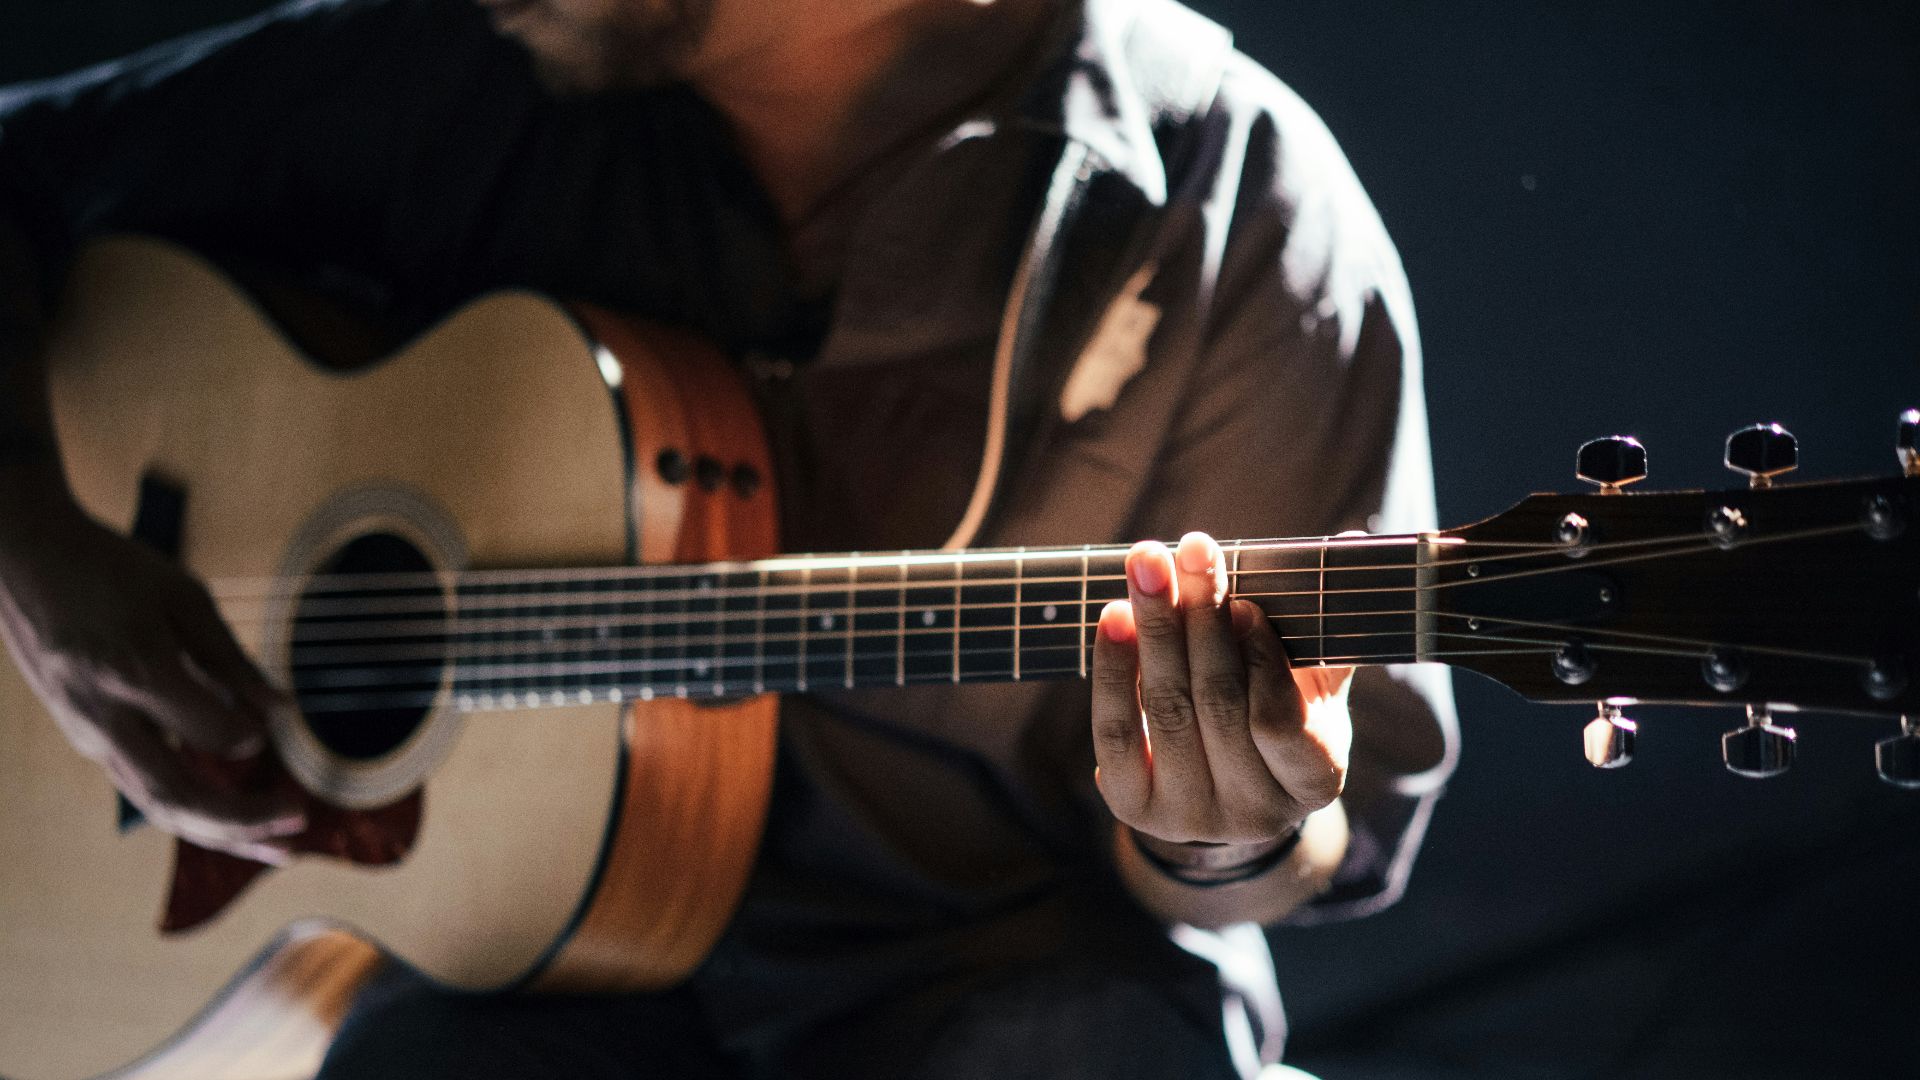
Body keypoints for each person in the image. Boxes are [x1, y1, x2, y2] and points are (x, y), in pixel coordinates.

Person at [0, 0, 1457, 1076]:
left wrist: (1224, 828)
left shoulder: (1231, 198)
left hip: (1006, 976)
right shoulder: (467, 69)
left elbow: (1317, 838)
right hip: (534, 986)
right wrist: (35, 544)